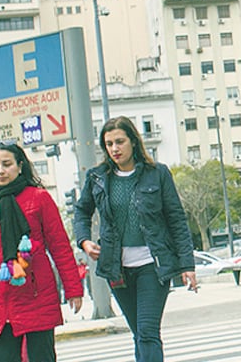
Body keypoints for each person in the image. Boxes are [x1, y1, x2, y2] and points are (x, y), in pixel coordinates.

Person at [74, 115, 196, 362]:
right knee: (139, 333)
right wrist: (84, 241)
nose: (114, 149)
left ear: (133, 141)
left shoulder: (157, 174)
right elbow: (81, 210)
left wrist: (187, 265)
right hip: (116, 268)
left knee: (148, 332)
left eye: (120, 141)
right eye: (109, 144)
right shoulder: (97, 177)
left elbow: (176, 220)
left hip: (153, 265)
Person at [0, 140, 83, 362]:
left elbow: (60, 246)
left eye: (6, 164)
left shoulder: (39, 198)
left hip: (37, 295)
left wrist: (73, 288)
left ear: (20, 165)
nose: (0, 171)